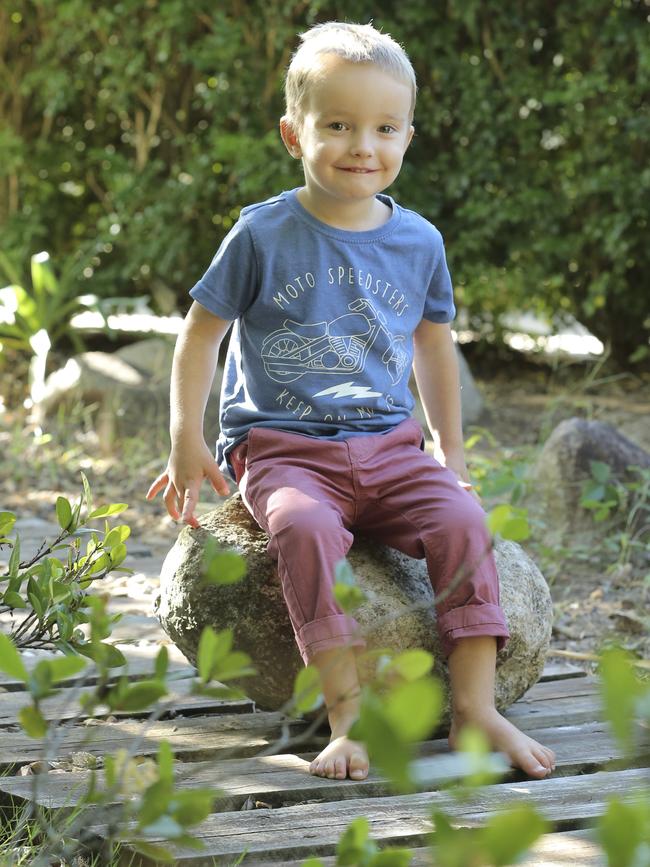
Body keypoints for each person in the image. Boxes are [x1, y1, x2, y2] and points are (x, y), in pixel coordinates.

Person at [147, 21, 556, 783]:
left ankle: (476, 705)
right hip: (283, 446)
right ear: (293, 134)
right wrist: (184, 435)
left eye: (383, 127)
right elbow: (200, 333)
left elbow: (435, 344)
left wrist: (450, 450)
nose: (361, 144)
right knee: (304, 532)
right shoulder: (262, 233)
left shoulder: (419, 241)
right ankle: (345, 721)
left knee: (465, 523)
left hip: (392, 445)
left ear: (407, 136)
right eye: (337, 125)